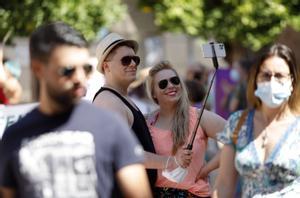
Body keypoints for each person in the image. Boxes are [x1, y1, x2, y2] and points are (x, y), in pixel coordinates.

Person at [0, 22, 152, 198]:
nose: (80, 78)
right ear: (38, 69)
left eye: (85, 69)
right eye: (68, 70)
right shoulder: (15, 137)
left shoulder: (111, 127)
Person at [93, 33, 191, 194]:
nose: (133, 64)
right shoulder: (108, 101)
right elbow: (124, 152)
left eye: (135, 59)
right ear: (106, 66)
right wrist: (171, 161)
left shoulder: (120, 98)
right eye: (125, 60)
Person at [213, 44, 300, 198]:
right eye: (266, 75)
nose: (272, 81)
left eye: (279, 75)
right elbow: (224, 184)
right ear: (256, 80)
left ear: (292, 81)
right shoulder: (237, 123)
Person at [146, 61, 226, 197]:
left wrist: (206, 170)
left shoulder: (198, 116)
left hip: (194, 194)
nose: (171, 85)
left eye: (174, 80)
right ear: (154, 94)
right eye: (163, 84)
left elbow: (237, 138)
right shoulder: (147, 122)